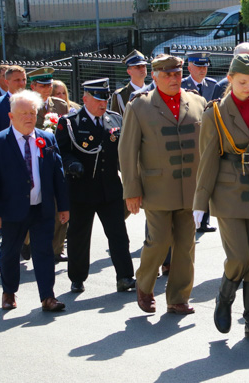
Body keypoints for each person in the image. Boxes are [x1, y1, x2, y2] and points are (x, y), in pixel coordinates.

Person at [194, 54, 249, 340]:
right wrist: (200, 202)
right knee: (239, 258)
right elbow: (207, 160)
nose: (248, 87)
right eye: (242, 82)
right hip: (228, 191)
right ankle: (224, 297)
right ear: (230, 79)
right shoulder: (215, 113)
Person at [120, 54, 206, 315]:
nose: (173, 79)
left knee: (185, 245)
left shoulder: (198, 102)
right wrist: (132, 191)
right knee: (158, 241)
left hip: (190, 189)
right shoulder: (140, 106)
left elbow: (208, 147)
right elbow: (127, 152)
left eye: (177, 74)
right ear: (155, 77)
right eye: (167, 74)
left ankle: (178, 298)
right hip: (157, 189)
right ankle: (144, 285)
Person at [0, 90, 70, 312]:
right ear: (11, 116)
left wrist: (64, 206)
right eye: (23, 114)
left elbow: (57, 174)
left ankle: (47, 297)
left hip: (42, 207)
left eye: (32, 112)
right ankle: (9, 292)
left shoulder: (46, 138)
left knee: (44, 252)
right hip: (12, 210)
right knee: (10, 252)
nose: (29, 117)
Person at [56, 79, 136, 294]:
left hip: (110, 189)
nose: (103, 103)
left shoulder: (115, 119)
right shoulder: (70, 122)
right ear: (85, 99)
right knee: (79, 236)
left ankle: (125, 277)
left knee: (118, 234)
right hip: (81, 190)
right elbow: (61, 151)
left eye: (106, 98)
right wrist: (71, 163)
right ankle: (77, 277)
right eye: (99, 99)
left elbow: (123, 153)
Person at [28, 67, 70, 263]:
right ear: (33, 86)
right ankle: (26, 240)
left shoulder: (61, 106)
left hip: (54, 160)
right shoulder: (25, 105)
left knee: (59, 202)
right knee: (32, 204)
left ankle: (56, 248)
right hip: (32, 162)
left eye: (49, 85)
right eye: (43, 85)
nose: (47, 89)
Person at [181, 51, 218, 232]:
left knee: (207, 175)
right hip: (190, 138)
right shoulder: (181, 85)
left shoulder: (213, 85)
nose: (203, 70)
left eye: (205, 66)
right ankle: (191, 218)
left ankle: (204, 221)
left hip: (209, 137)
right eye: (199, 66)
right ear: (189, 67)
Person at [0, 65, 28, 139]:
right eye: (17, 80)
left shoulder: (31, 102)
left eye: (24, 79)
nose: (21, 83)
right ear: (7, 82)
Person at [110, 50, 150, 115]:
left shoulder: (152, 91)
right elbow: (115, 120)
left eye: (143, 66)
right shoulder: (120, 95)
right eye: (137, 67)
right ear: (129, 72)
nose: (142, 69)